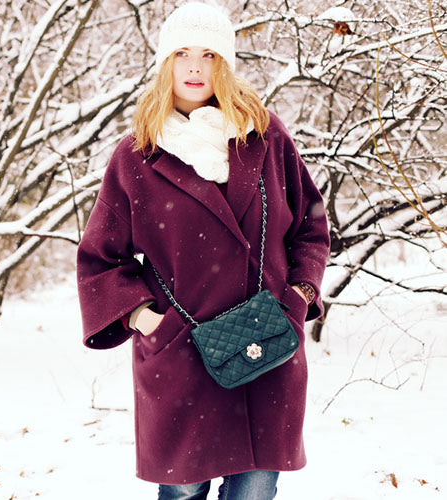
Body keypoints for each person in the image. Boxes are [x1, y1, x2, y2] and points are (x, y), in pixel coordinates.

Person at [75, 2, 330, 499]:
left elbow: (309, 228)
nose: (195, 67)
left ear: (226, 65)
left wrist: (298, 297)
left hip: (265, 348)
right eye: (182, 54)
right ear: (164, 62)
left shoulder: (265, 136)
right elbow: (101, 258)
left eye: (209, 54)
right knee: (183, 494)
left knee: (254, 490)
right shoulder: (138, 154)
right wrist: (148, 320)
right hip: (182, 356)